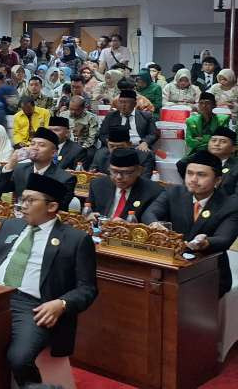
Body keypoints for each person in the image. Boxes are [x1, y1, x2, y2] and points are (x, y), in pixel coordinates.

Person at [0, 173, 98, 386]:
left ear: (52, 206)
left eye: (30, 201)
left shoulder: (76, 240)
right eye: (22, 199)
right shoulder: (10, 226)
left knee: (19, 358)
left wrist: (62, 303)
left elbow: (87, 288)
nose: (22, 205)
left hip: (32, 306)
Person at [143, 151, 238, 296]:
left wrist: (205, 242)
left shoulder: (230, 204)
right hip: (170, 266)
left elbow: (224, 238)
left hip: (208, 273)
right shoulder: (174, 192)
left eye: (201, 175)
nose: (193, 179)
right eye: (190, 173)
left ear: (217, 180)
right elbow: (150, 213)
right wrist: (155, 224)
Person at [0, 127, 77, 210]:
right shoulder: (20, 169)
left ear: (54, 153)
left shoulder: (65, 179)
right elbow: (1, 189)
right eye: (32, 144)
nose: (35, 148)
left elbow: (60, 208)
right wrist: (11, 163)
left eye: (41, 145)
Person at [85, 148, 162, 222]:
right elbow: (88, 212)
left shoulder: (154, 192)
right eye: (114, 171)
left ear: (139, 171)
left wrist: (130, 227)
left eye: (126, 173)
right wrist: (89, 217)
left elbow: (152, 225)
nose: (119, 177)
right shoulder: (97, 185)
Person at [98, 89, 158, 154]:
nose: (123, 105)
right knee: (100, 155)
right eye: (120, 102)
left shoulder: (146, 116)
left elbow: (152, 134)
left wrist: (145, 142)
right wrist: (110, 143)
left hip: (138, 146)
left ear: (134, 104)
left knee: (147, 155)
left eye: (126, 102)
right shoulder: (111, 116)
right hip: (115, 146)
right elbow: (103, 134)